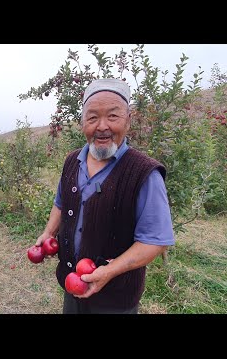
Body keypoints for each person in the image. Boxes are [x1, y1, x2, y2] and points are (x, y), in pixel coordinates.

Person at [35, 78, 175, 314]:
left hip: (115, 299)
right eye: (92, 118)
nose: (102, 126)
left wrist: (109, 271)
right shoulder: (72, 161)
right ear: (82, 124)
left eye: (112, 116)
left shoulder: (144, 173)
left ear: (128, 120)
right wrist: (49, 233)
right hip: (72, 284)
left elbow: (155, 241)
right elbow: (61, 204)